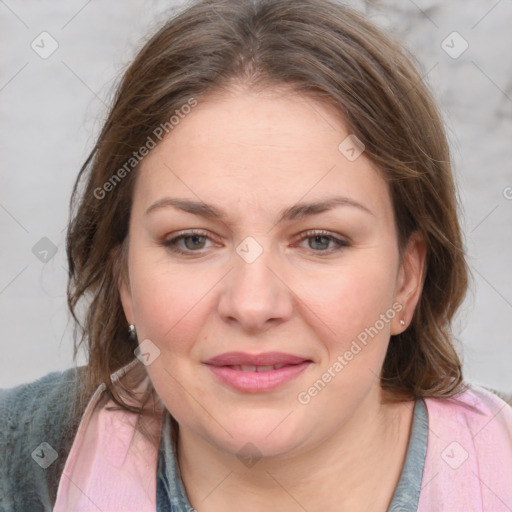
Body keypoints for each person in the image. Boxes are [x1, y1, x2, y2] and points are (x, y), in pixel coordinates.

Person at [1, 0, 511, 511]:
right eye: (192, 240)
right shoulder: (22, 462)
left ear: (406, 280)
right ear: (126, 282)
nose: (251, 304)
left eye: (319, 240)